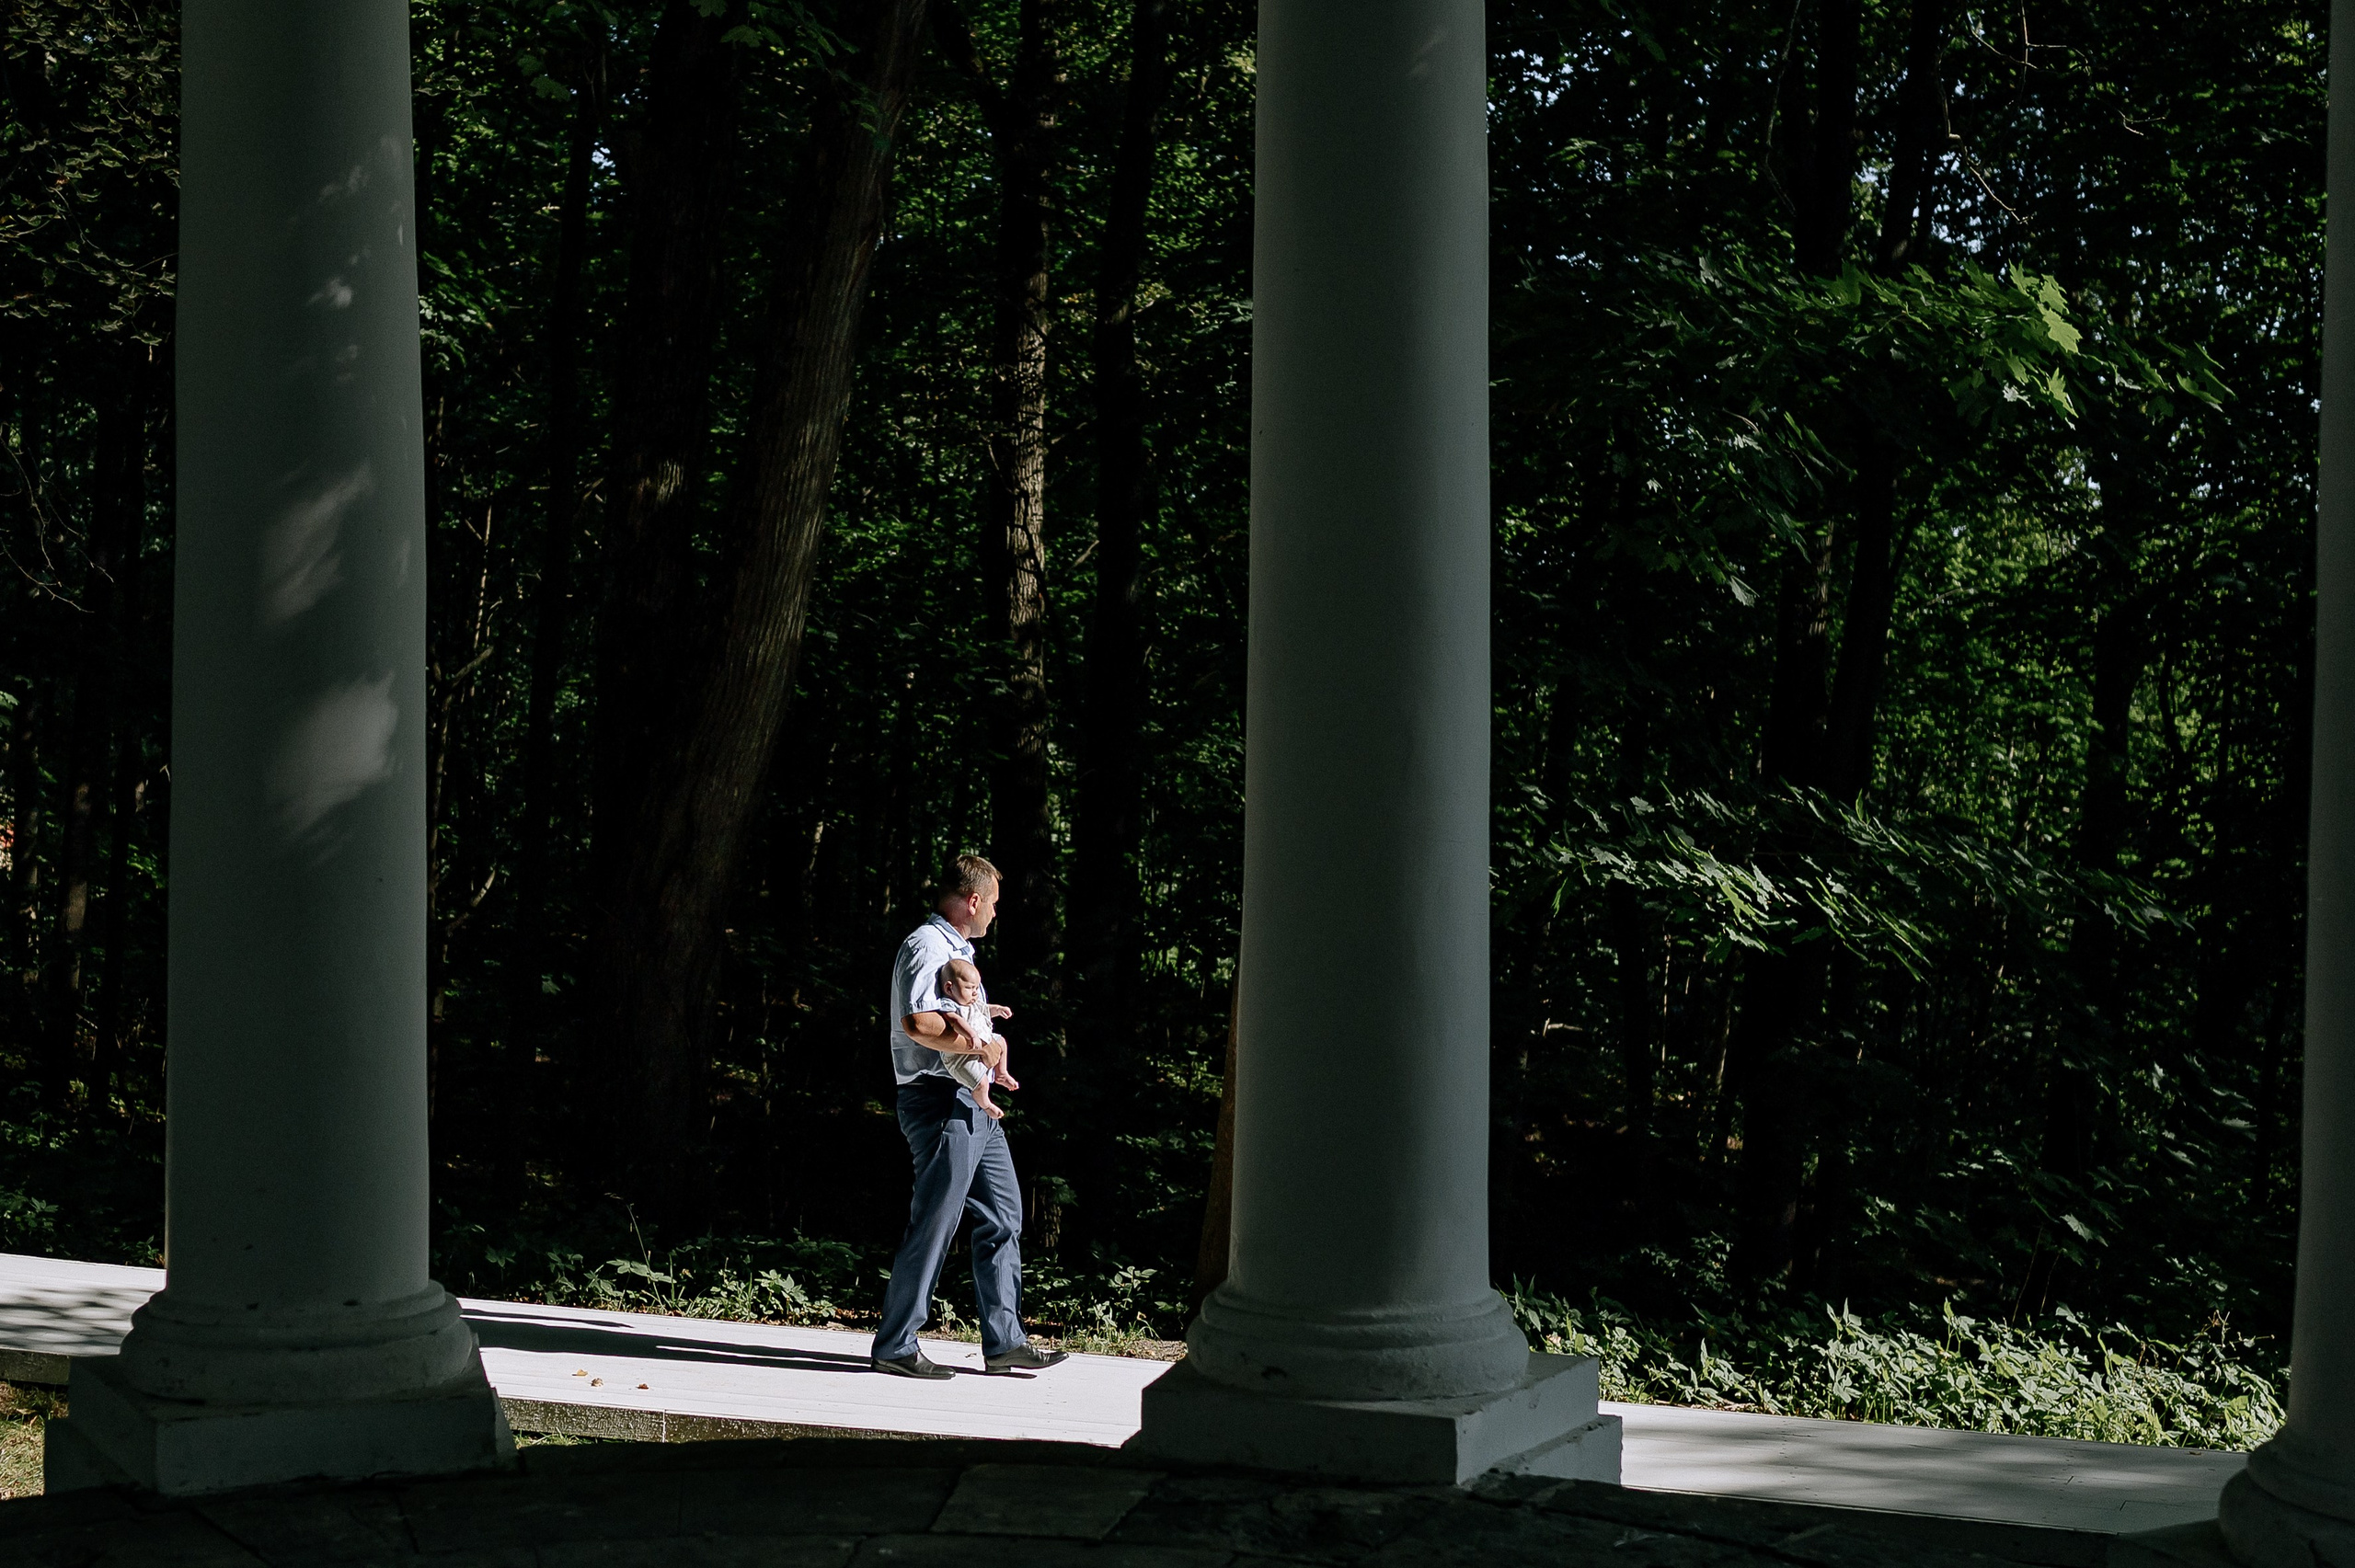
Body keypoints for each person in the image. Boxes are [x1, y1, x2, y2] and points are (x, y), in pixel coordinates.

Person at [869, 853, 1067, 1379]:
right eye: (994, 904)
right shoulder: (927, 946)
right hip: (937, 1100)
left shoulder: (956, 952)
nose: (996, 915)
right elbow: (917, 1022)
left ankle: (1004, 1343)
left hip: (970, 1102)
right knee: (937, 1219)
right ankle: (896, 1345)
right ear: (973, 901)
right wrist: (979, 1049)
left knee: (1004, 1213)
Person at [938, 958, 1017, 1120]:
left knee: (1001, 1041)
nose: (974, 993)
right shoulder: (949, 1004)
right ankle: (986, 1104)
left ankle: (1001, 1073)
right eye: (969, 988)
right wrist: (972, 1034)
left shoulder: (972, 1002)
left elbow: (985, 1009)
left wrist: (999, 1009)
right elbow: (955, 1021)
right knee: (981, 1084)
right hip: (959, 1058)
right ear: (949, 988)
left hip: (982, 1042)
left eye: (976, 988)